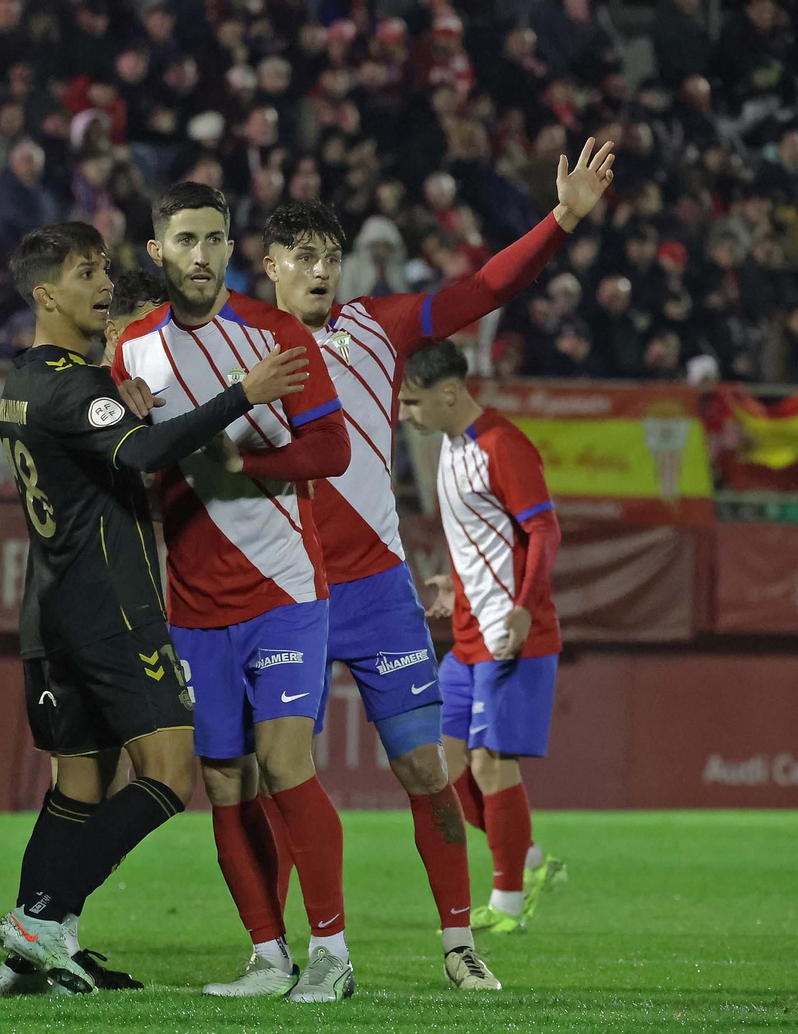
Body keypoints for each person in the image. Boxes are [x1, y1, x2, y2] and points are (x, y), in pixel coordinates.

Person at [252, 138, 614, 988]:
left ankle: (460, 946)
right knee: (280, 779)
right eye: (304, 258)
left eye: (331, 259)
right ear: (269, 264)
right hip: (287, 589)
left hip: (376, 591)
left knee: (427, 771)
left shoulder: (376, 327)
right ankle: (290, 953)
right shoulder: (236, 341)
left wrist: (562, 218)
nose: (320, 272)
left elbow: (482, 290)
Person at [0, 221, 311, 995]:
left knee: (78, 786)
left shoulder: (23, 382)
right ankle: (44, 917)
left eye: (103, 269)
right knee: (169, 774)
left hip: (50, 615)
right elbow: (139, 455)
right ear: (45, 294)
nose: (104, 284)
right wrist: (244, 393)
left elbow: (109, 460)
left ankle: (31, 954)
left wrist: (124, 413)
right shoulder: (73, 383)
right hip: (111, 612)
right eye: (84, 273)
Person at [112, 182, 355, 1003]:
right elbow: (134, 465)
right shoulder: (134, 350)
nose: (203, 255)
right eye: (186, 240)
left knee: (287, 763)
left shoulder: (276, 332)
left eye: (215, 239)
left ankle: (331, 953)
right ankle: (267, 955)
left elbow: (332, 450)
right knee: (224, 782)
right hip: (195, 603)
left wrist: (245, 467)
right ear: (159, 252)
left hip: (285, 585)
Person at [400, 342, 568, 936]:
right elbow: (479, 534)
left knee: (491, 766)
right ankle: (527, 860)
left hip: (509, 635)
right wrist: (456, 579)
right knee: (439, 768)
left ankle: (509, 905)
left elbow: (544, 529)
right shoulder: (448, 448)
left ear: (449, 393)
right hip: (468, 633)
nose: (405, 414)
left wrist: (524, 611)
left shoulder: (502, 445)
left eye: (412, 401)